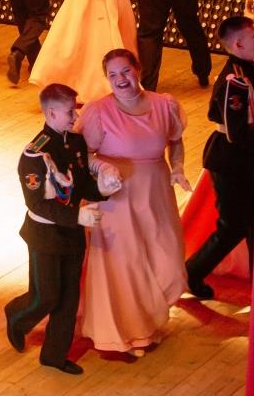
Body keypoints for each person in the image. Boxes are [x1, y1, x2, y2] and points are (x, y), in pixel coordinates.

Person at [77, 49, 190, 357]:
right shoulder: (98, 111)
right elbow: (81, 153)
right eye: (112, 75)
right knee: (126, 267)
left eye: (125, 71)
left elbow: (175, 140)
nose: (120, 80)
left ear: (138, 69)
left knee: (167, 261)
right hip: (117, 197)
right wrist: (102, 167)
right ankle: (131, 332)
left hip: (155, 193)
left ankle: (149, 319)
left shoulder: (164, 104)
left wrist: (177, 168)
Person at [5, 84, 118, 375]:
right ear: (52, 113)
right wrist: (77, 216)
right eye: (70, 111)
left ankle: (54, 356)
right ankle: (16, 315)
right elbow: (37, 204)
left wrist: (102, 190)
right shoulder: (34, 155)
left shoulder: (75, 143)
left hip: (72, 231)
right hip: (45, 235)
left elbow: (80, 184)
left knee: (68, 299)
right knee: (46, 296)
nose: (75, 116)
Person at [185, 17, 254, 300]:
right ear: (238, 44)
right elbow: (237, 132)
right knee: (232, 227)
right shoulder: (235, 80)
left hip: (244, 159)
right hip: (231, 161)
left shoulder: (246, 70)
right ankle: (191, 273)